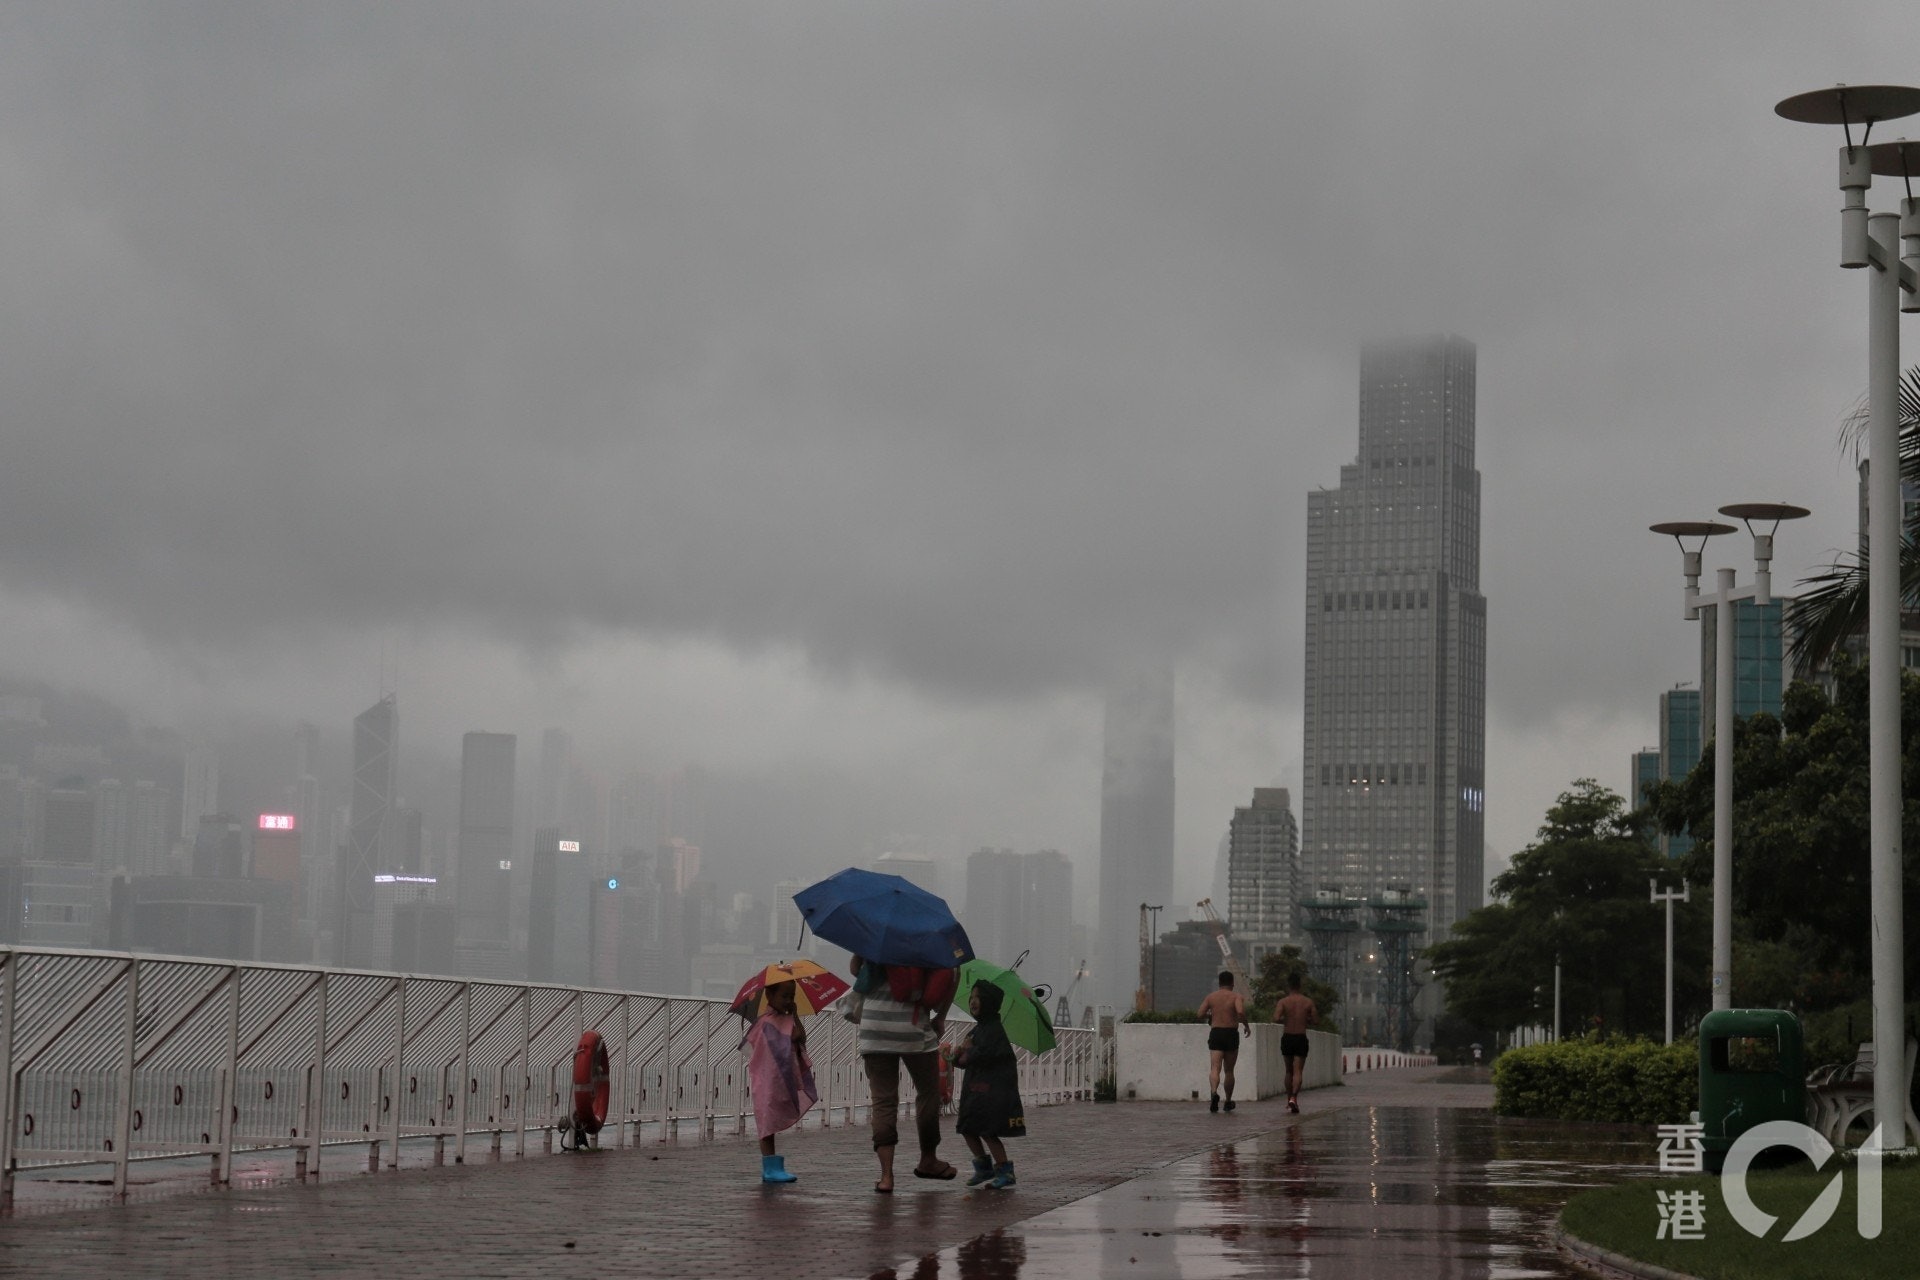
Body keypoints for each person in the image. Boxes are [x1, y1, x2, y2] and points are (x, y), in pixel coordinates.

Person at [851, 957, 957, 1193]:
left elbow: (855, 969)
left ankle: (886, 1176)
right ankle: (928, 1159)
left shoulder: (876, 931)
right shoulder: (928, 939)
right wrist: (940, 1017)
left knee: (883, 1101)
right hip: (914, 1027)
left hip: (875, 1028)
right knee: (929, 1093)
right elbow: (952, 973)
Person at [951, 981, 1025, 1190]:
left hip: (992, 1092)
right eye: (971, 997)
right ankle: (983, 1167)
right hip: (975, 1091)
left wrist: (969, 1051)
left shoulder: (994, 1030)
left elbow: (986, 1055)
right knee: (967, 1127)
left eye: (978, 997)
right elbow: (964, 1060)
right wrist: (956, 1055)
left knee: (988, 1131)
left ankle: (1004, 1170)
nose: (973, 1001)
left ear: (989, 1002)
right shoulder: (978, 1030)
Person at [745, 977, 817, 1183]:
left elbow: (800, 1037)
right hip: (767, 1078)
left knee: (772, 1117)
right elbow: (762, 1051)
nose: (788, 1000)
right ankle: (770, 1168)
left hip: (781, 1078)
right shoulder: (765, 1023)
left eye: (791, 996)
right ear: (770, 995)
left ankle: (774, 1167)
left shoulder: (787, 1020)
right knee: (767, 1120)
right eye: (784, 996)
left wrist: (794, 1015)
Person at [1197, 970, 1248, 1112]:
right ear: (1232, 983)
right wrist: (1246, 1026)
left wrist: (1211, 1014)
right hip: (1231, 1033)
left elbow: (1199, 1014)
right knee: (1229, 1071)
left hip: (1216, 1033)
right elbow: (1240, 1012)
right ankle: (1228, 1101)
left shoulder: (1211, 997)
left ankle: (1214, 1093)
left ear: (1219, 983)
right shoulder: (1237, 996)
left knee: (1215, 1068)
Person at [1273, 972, 1320, 1114]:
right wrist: (1307, 1020)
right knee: (1298, 1070)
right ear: (1300, 985)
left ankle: (1289, 1100)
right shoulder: (1308, 1002)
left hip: (1287, 1037)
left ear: (1288, 985)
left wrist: (1286, 1020)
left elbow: (1275, 1018)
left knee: (1288, 1071)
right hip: (1300, 1037)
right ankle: (1294, 1097)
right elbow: (1316, 1021)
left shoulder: (1283, 1001)